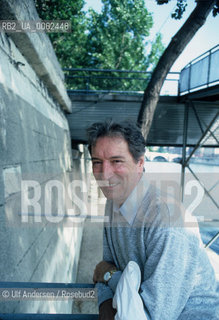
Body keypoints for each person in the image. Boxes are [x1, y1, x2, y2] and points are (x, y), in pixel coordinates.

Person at [87, 120, 219, 320]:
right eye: (97, 162)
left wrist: (110, 277)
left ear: (140, 163)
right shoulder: (113, 201)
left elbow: (149, 315)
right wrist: (106, 301)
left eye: (116, 161)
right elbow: (105, 267)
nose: (104, 174)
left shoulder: (167, 223)